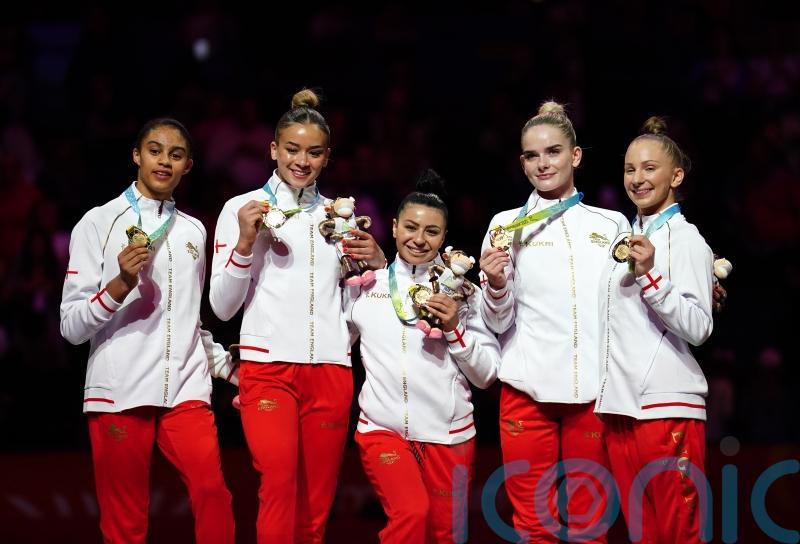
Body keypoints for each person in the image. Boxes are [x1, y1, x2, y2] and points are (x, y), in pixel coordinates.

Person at [209, 89, 385, 543]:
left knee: (315, 505)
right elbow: (223, 306)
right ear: (273, 149)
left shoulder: (341, 218)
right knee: (279, 485)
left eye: (312, 152)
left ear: (327, 157)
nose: (300, 161)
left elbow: (356, 306)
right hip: (267, 369)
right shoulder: (242, 209)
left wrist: (379, 268)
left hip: (331, 369)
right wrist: (246, 243)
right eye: (291, 149)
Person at [60, 118, 238, 544]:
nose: (164, 161)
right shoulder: (98, 223)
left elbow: (189, 323)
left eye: (175, 155)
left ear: (188, 165)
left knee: (213, 493)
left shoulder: (195, 230)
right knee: (126, 523)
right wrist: (120, 284)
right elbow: (71, 328)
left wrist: (229, 369)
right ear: (137, 155)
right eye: (155, 150)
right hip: (118, 389)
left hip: (184, 389)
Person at [479, 102, 629, 543]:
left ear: (575, 156)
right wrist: (496, 284)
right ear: (521, 162)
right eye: (532, 155)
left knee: (590, 525)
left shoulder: (611, 223)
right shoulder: (506, 226)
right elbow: (495, 320)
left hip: (592, 394)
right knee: (532, 527)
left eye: (553, 152)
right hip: (527, 391)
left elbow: (624, 307)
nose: (543, 163)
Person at [345, 170, 500, 543]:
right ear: (394, 227)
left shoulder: (464, 294)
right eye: (411, 228)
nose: (419, 239)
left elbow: (487, 374)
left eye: (431, 232)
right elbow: (333, 343)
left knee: (446, 535)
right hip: (382, 431)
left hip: (449, 436)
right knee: (411, 515)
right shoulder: (365, 285)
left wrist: (453, 329)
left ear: (444, 237)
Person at [594, 116, 713, 543]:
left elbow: (699, 326)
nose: (637, 178)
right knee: (644, 535)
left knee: (679, 532)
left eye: (649, 168)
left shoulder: (687, 240)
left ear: (676, 176)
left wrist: (650, 277)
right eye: (630, 169)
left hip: (668, 407)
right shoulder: (626, 239)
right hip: (623, 407)